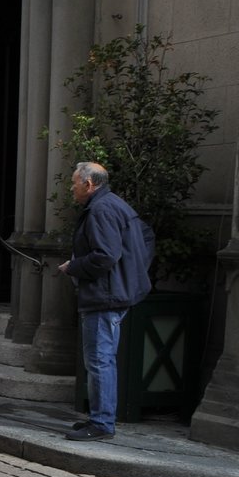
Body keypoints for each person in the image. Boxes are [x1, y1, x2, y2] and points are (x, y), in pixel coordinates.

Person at [59, 160, 154, 442]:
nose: (71, 188)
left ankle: (101, 422)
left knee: (99, 360)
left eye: (74, 183)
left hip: (104, 296)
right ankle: (100, 418)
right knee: (102, 359)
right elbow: (145, 238)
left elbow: (106, 256)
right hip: (113, 292)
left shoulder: (101, 208)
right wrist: (133, 274)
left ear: (88, 184)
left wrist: (73, 267)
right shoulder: (113, 204)